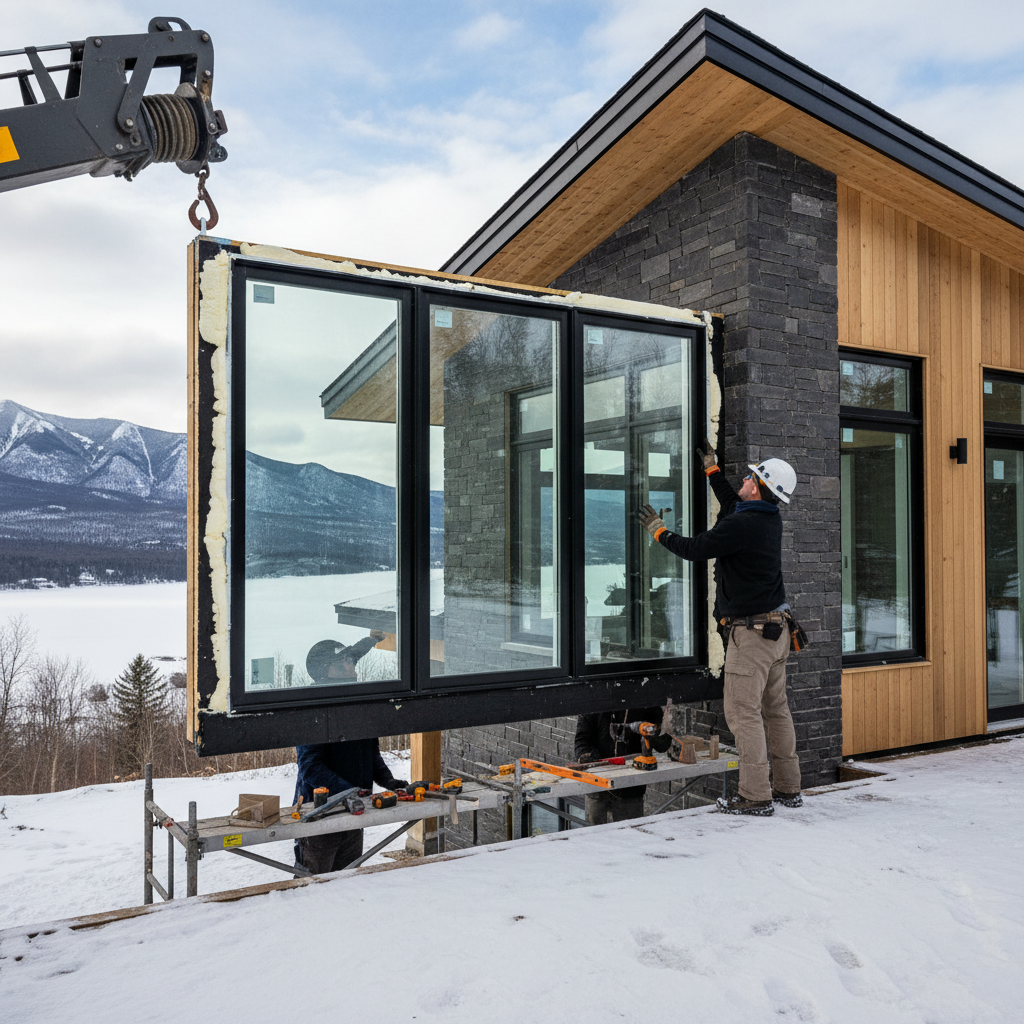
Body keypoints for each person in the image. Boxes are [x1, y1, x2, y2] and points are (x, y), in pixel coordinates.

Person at [637, 443, 802, 816]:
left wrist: (659, 531)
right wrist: (712, 469)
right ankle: (789, 788)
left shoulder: (743, 524)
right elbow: (732, 502)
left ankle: (756, 796)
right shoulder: (764, 517)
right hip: (776, 632)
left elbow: (696, 548)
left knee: (744, 714)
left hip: (753, 636)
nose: (744, 479)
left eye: (749, 477)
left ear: (758, 486)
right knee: (776, 711)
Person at [294, 632, 408, 873]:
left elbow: (370, 753)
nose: (352, 664)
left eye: (351, 660)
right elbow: (310, 767)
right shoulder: (313, 706)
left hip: (356, 811)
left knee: (349, 881)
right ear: (328, 671)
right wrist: (348, 791)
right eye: (345, 662)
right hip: (322, 816)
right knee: (313, 885)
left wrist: (388, 780)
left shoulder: (357, 703)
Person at [574, 707, 667, 824]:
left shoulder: (644, 702)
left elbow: (663, 745)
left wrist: (656, 732)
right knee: (595, 838)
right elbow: (582, 740)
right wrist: (588, 758)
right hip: (597, 788)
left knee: (631, 835)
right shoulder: (594, 702)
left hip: (630, 788)